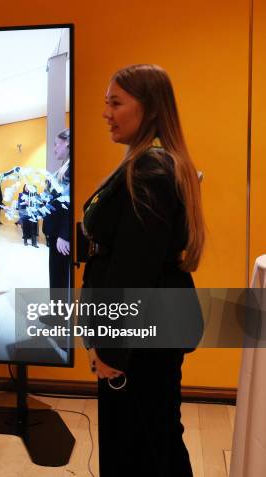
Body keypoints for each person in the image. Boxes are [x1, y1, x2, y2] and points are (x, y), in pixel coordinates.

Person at [81, 64, 205, 476]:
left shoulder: (149, 171)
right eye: (106, 103)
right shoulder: (151, 163)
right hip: (147, 331)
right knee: (157, 437)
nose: (106, 112)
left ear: (148, 108)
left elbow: (134, 270)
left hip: (138, 339)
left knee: (141, 447)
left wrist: (112, 349)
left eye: (116, 102)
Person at [43, 129, 72, 288]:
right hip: (56, 231)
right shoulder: (64, 167)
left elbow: (70, 204)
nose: (54, 148)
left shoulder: (70, 168)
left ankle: (59, 313)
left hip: (61, 234)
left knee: (59, 277)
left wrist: (65, 234)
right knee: (56, 275)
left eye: (56, 144)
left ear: (67, 142)